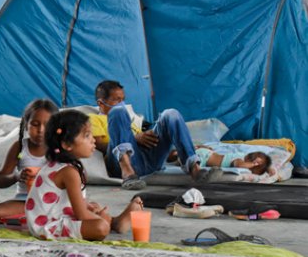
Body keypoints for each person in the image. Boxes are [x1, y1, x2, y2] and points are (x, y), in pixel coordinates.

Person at [25, 110, 143, 241]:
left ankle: (113, 221)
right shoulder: (69, 172)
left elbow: (71, 203)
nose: (93, 140)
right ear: (67, 144)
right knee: (100, 227)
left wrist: (90, 207)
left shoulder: (66, 166)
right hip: (46, 227)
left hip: (55, 216)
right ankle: (112, 223)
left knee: (92, 206)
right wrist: (100, 218)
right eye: (87, 136)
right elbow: (81, 214)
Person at [90, 80, 221, 190]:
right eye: (116, 100)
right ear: (101, 103)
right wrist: (135, 139)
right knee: (117, 112)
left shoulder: (130, 121)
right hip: (120, 163)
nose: (122, 104)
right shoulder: (94, 119)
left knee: (171, 114)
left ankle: (194, 169)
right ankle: (128, 173)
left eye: (123, 100)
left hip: (147, 159)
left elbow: (147, 141)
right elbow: (98, 145)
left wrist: (182, 149)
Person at [0, 99, 58, 224]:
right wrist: (17, 176)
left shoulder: (60, 150)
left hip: (53, 204)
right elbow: (1, 182)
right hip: (24, 202)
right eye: (35, 124)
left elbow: (75, 178)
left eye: (47, 125)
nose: (41, 130)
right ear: (26, 124)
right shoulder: (19, 148)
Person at [195, 148, 273, 175]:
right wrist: (253, 164)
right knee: (190, 163)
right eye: (252, 169)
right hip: (204, 157)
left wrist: (268, 168)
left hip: (207, 155)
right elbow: (239, 165)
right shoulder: (239, 159)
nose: (250, 170)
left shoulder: (242, 156)